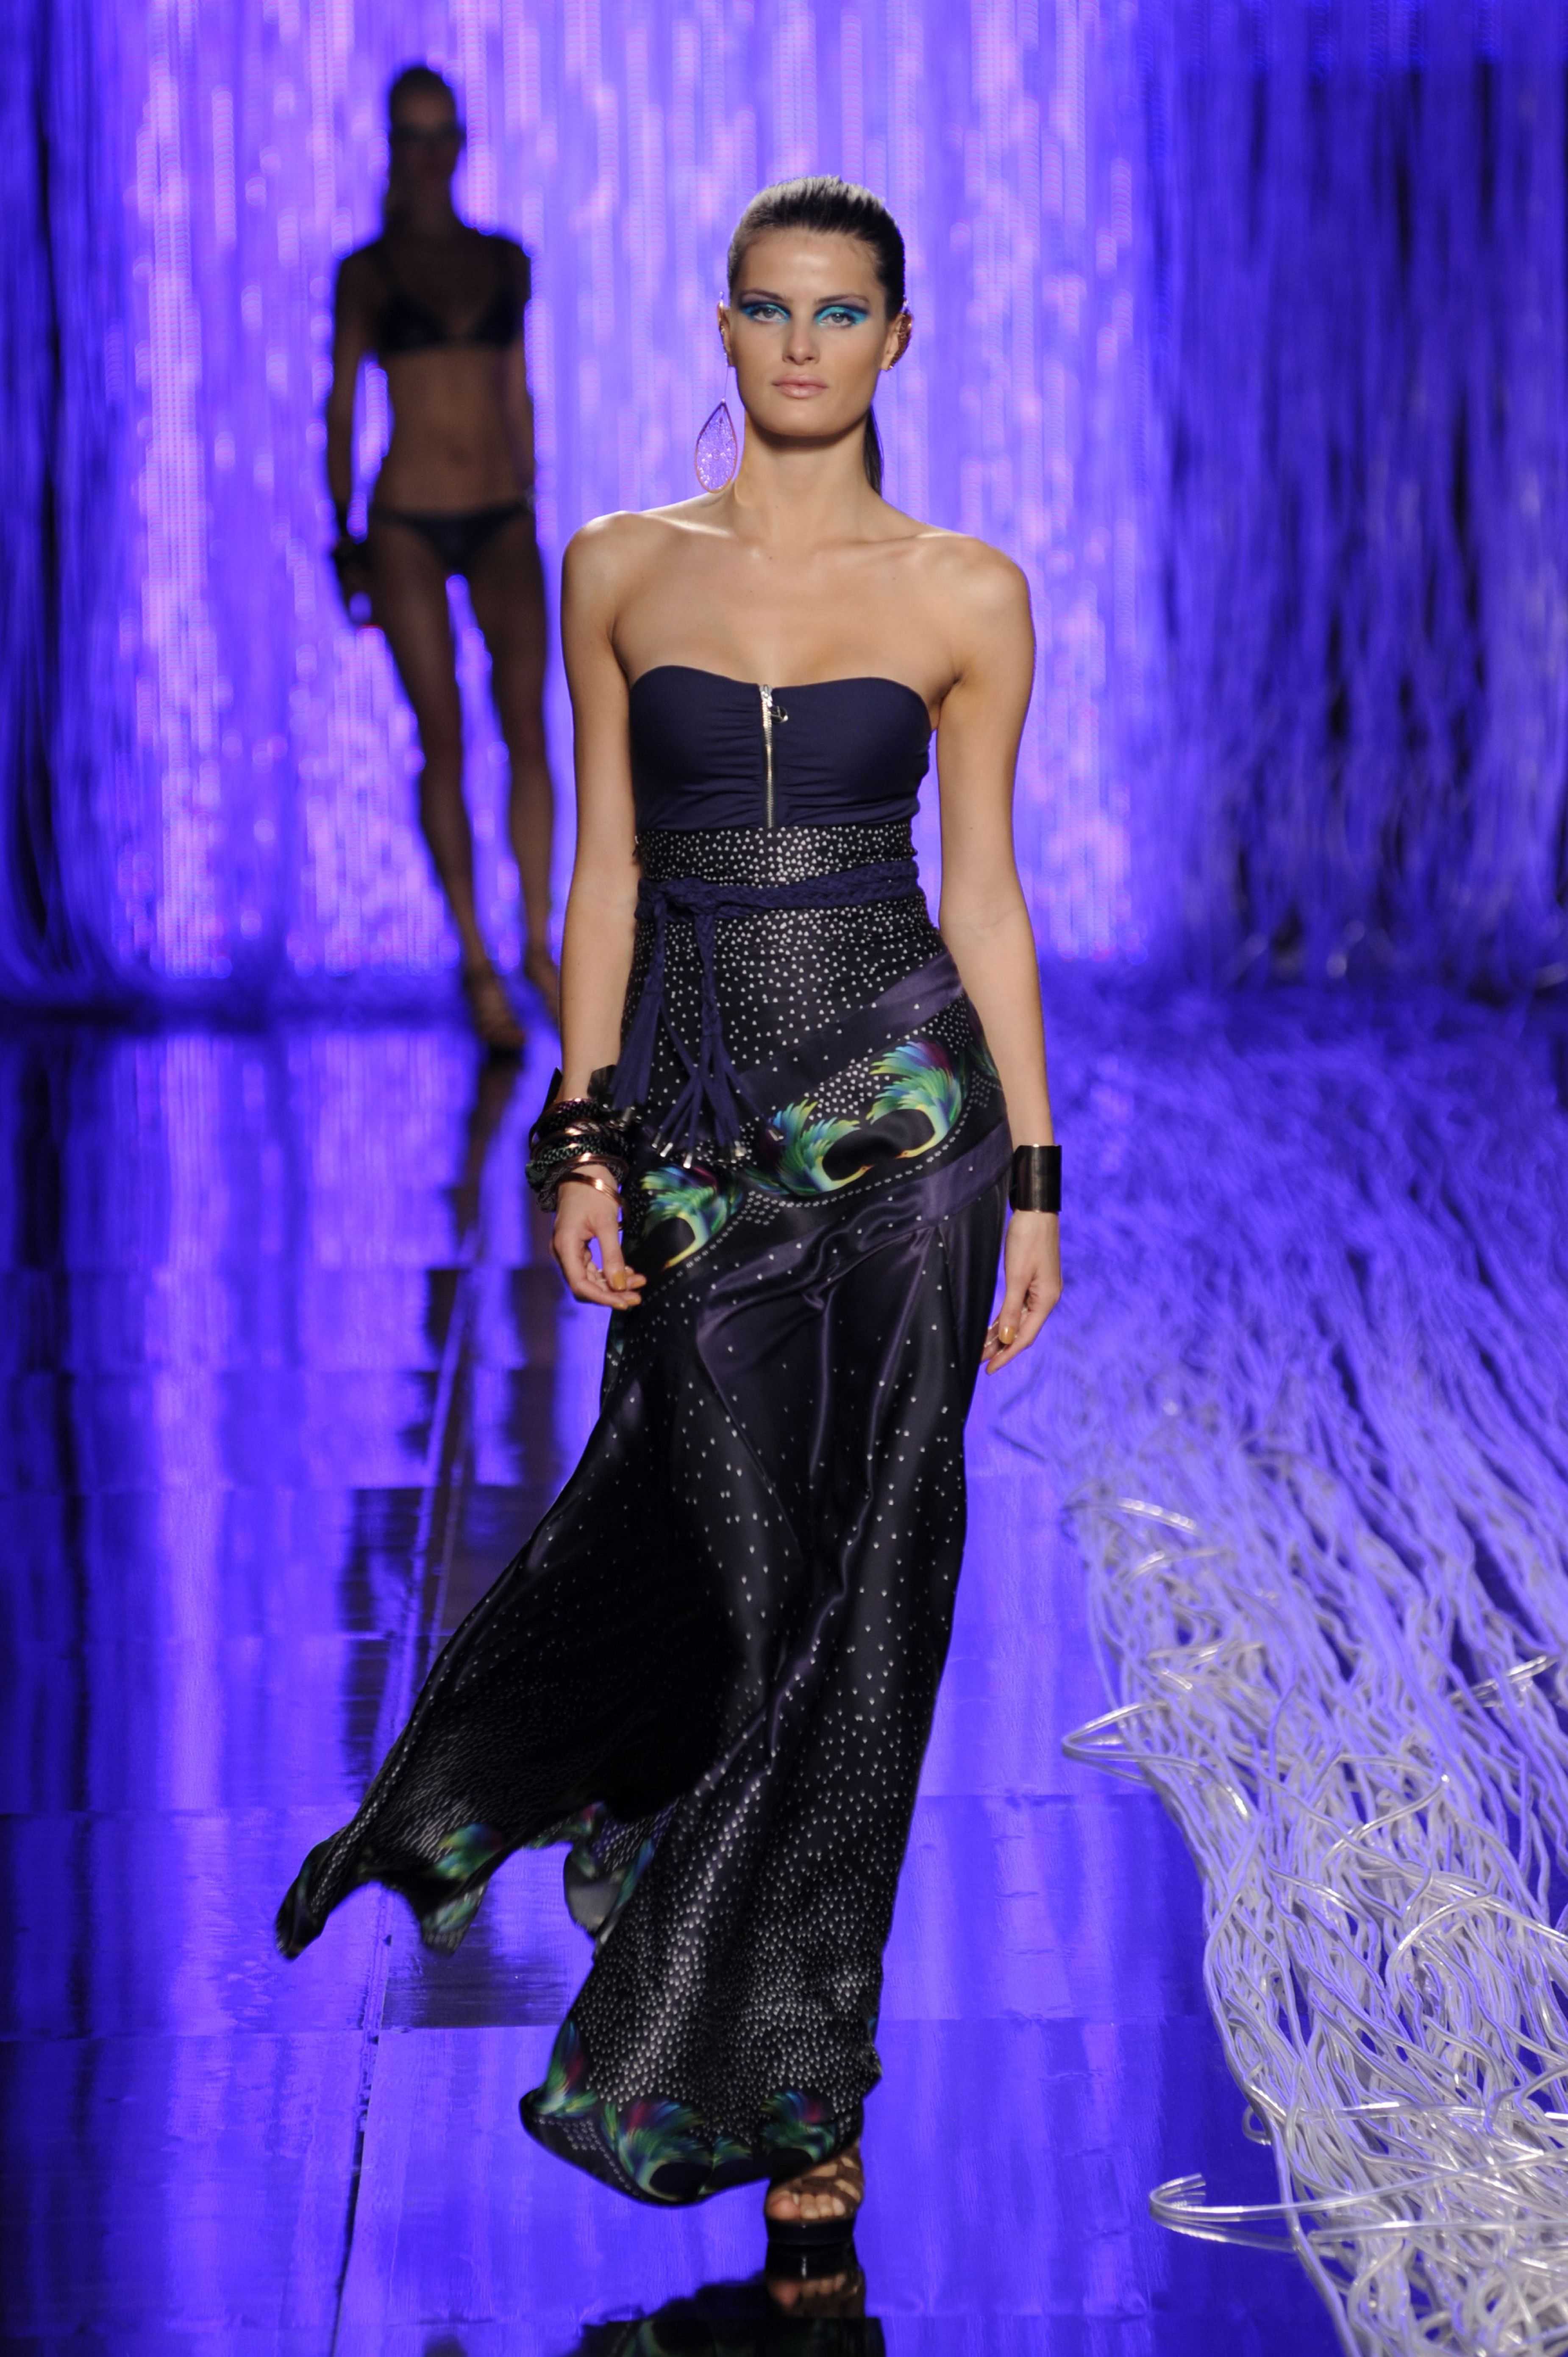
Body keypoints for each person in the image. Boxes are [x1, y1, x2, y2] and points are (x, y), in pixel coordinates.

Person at [278, 176, 1061, 2279]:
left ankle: (807, 2079)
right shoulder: (619, 564)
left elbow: (985, 896)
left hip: (912, 1125)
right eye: (769, 309)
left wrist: (1040, 1181)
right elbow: (606, 874)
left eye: (841, 312)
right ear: (722, 331)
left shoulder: (969, 591)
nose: (802, 344)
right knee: (736, 1568)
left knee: (875, 1590)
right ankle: (653, 1850)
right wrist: (583, 1140)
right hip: (703, 1132)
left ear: (899, 338)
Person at [326, 63, 560, 1050]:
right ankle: (475, 958)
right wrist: (343, 536)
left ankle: (537, 944)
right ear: (393, 149)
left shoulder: (503, 261)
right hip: (408, 520)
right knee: (446, 738)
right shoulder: (367, 273)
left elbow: (516, 390)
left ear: (460, 145)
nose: (427, 156)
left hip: (499, 513)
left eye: (439, 136)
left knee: (528, 730)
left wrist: (530, 495)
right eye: (410, 138)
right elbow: (342, 405)